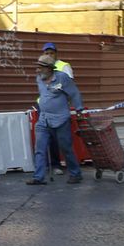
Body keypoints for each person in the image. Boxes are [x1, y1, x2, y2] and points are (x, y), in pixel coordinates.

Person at [29, 54, 85, 185]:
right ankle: (38, 177)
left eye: (40, 68)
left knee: (66, 148)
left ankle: (75, 173)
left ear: (49, 68)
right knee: (40, 148)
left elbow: (74, 93)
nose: (37, 70)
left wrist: (79, 109)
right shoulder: (39, 78)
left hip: (61, 119)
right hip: (44, 118)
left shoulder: (62, 78)